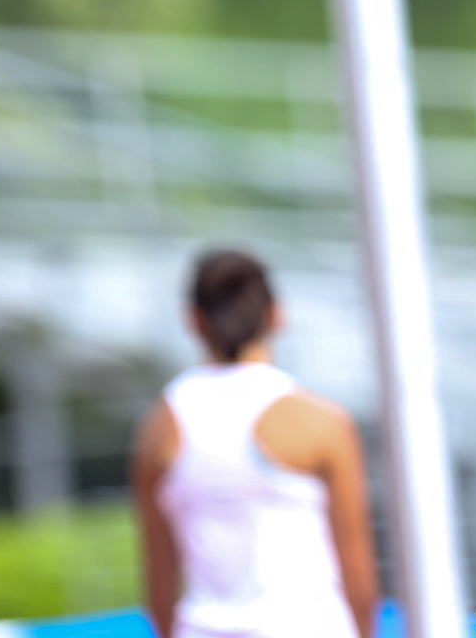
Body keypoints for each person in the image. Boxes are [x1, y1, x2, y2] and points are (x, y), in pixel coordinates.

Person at [131, 249, 380, 638]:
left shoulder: (158, 428)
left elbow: (159, 581)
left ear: (194, 320)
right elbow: (358, 573)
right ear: (277, 315)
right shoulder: (321, 422)